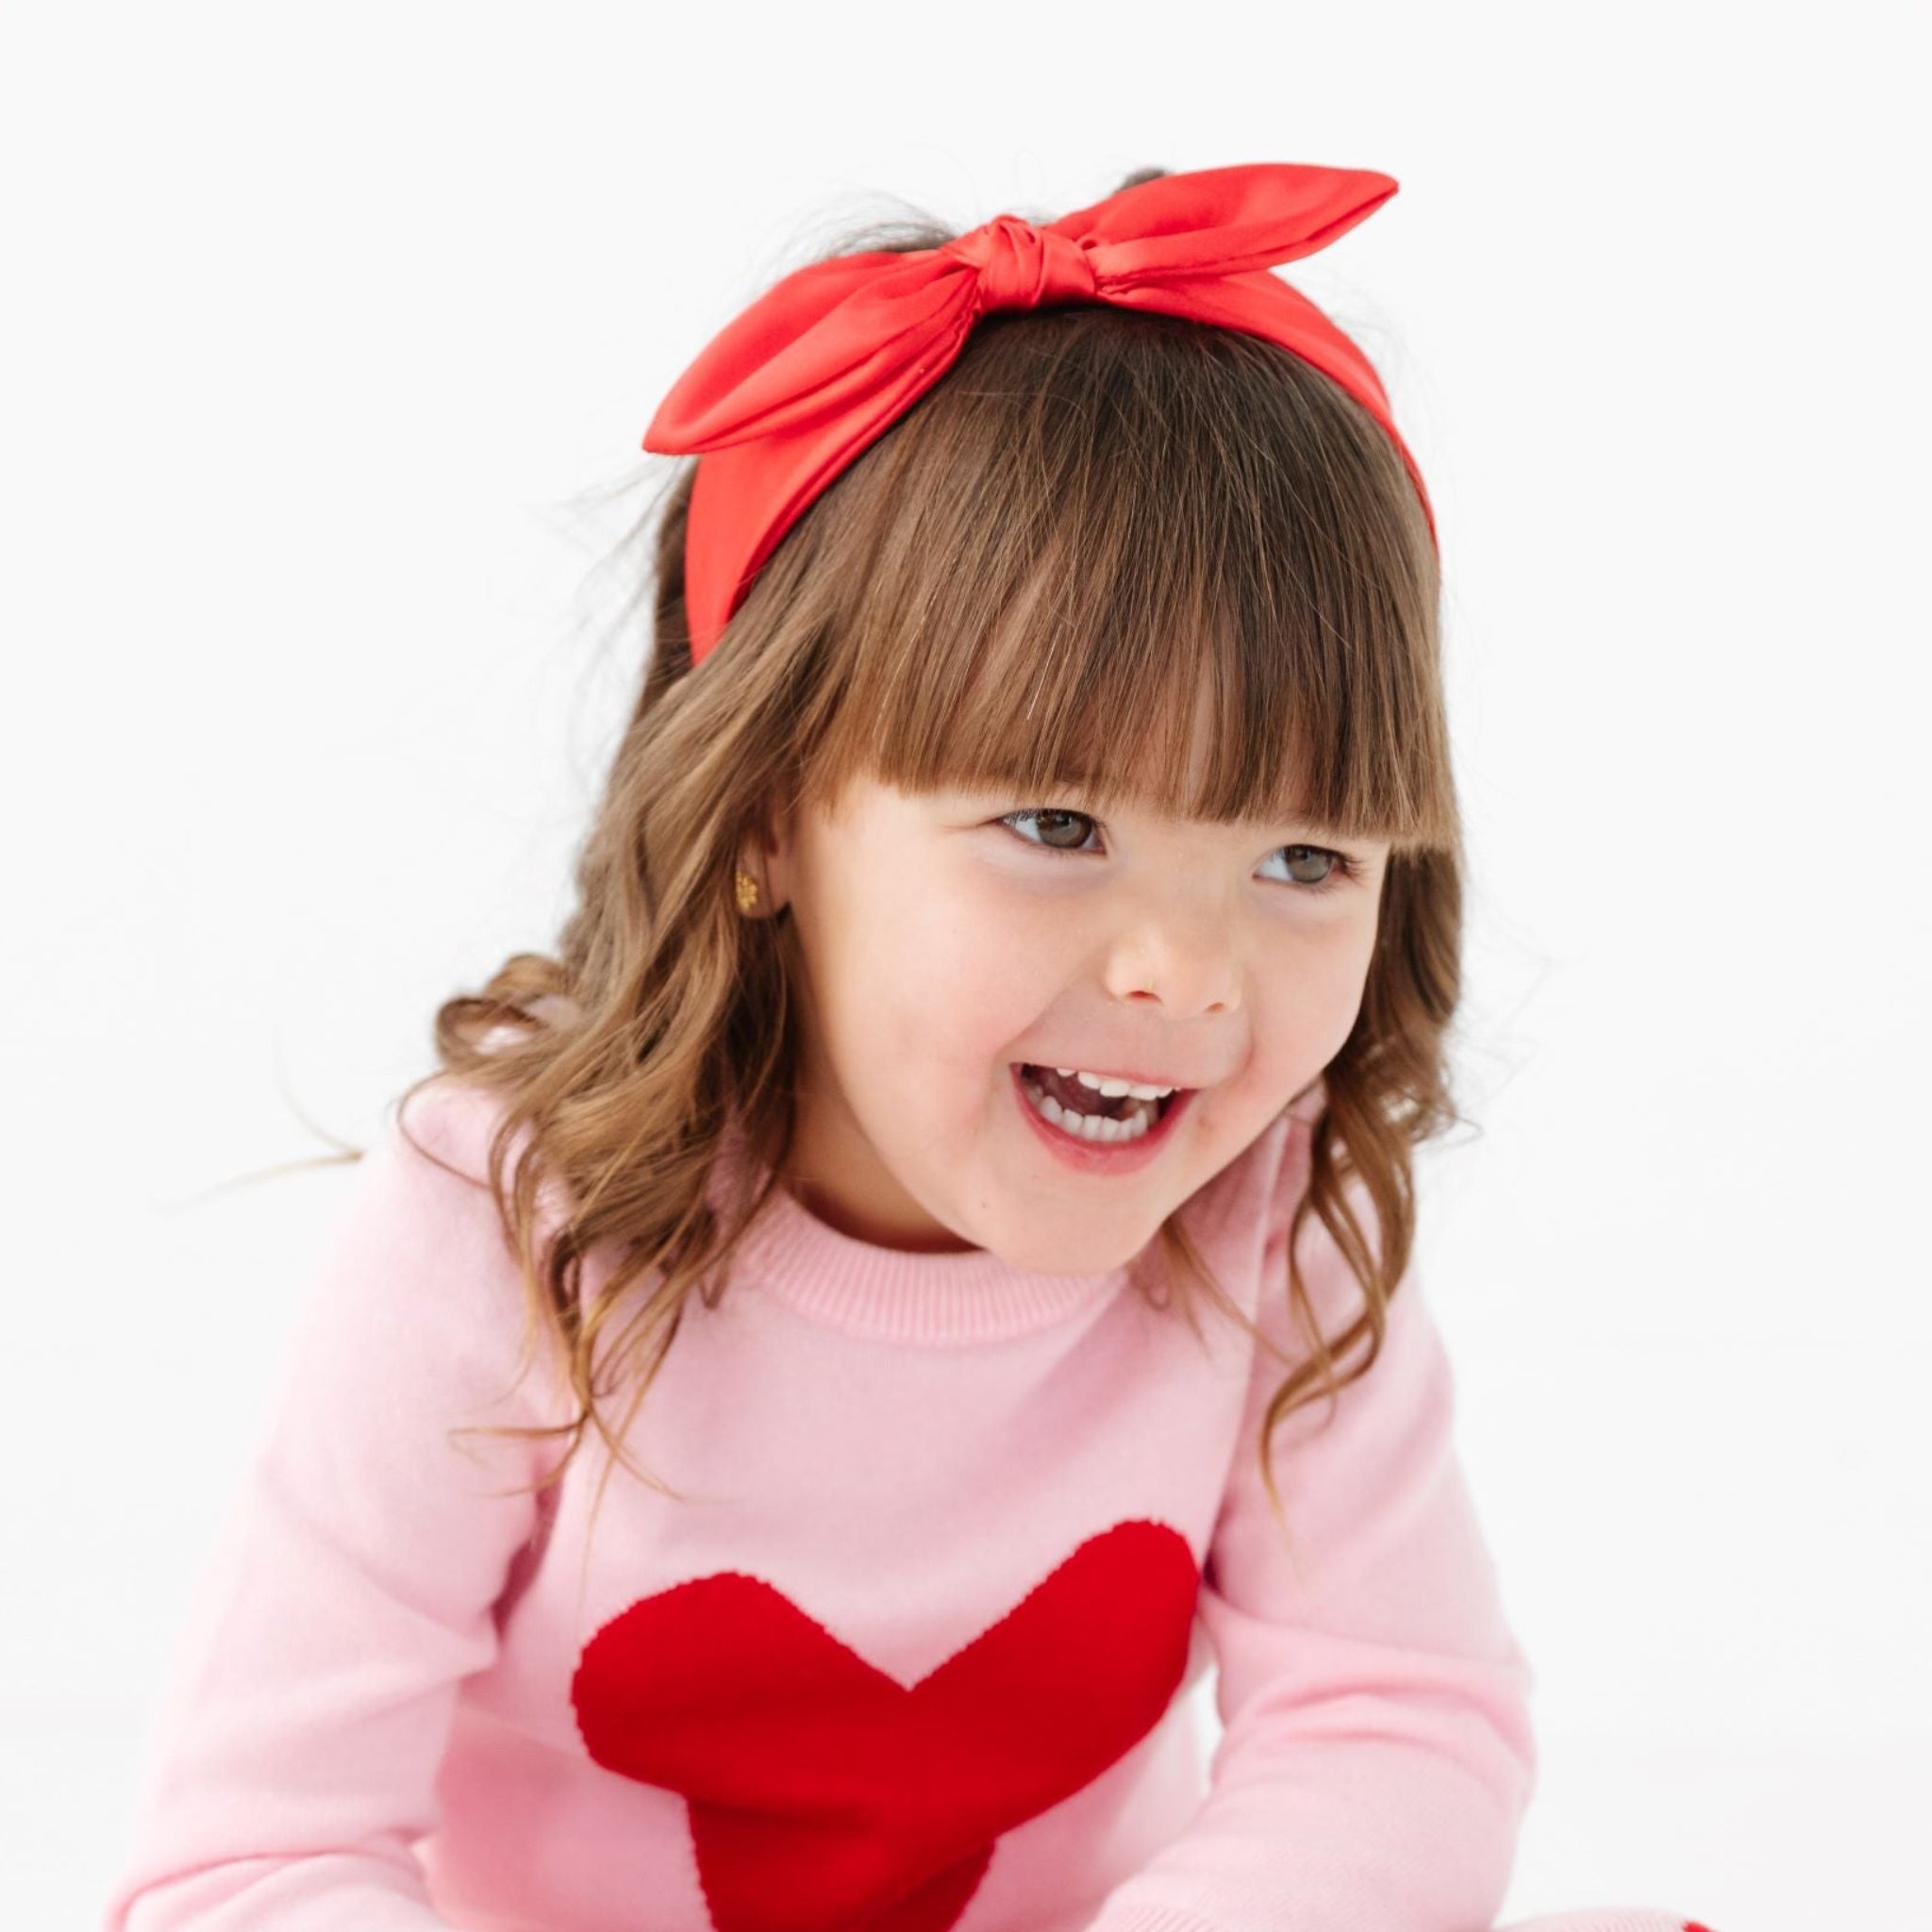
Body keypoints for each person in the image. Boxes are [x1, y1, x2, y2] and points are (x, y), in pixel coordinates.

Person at [100, 162, 1721, 1932]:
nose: (1187, 973)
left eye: (1301, 858)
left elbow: (1398, 1718)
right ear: (765, 818)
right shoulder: (504, 1228)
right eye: (1054, 824)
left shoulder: (1270, 1224)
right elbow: (246, 1863)